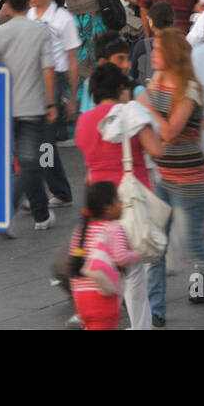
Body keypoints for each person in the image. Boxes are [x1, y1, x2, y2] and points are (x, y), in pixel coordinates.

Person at [141, 29, 204, 329]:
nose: (152, 54)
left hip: (190, 181)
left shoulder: (190, 90)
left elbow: (169, 131)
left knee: (196, 247)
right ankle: (155, 311)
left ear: (171, 54)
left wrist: (143, 106)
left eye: (157, 49)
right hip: (163, 176)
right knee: (155, 246)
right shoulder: (156, 81)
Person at [76, 63, 163, 329]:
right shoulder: (130, 113)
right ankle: (141, 326)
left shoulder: (84, 122)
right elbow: (156, 150)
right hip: (128, 202)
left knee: (111, 264)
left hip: (98, 202)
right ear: (121, 89)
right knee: (134, 271)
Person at [0, 0, 57, 234]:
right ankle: (8, 210)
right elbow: (48, 69)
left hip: (5, 108)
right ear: (28, 3)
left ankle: (42, 214)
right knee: (29, 163)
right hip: (33, 106)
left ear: (8, 4)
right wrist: (51, 102)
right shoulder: (41, 31)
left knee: (27, 162)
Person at [26, 0, 78, 207]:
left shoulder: (63, 19)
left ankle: (59, 191)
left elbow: (72, 59)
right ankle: (38, 190)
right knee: (31, 139)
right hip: (31, 80)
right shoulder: (29, 15)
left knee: (45, 142)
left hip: (53, 80)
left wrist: (73, 97)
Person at [67, 181, 142, 330]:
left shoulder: (81, 229)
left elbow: (73, 260)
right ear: (108, 208)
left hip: (81, 297)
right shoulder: (113, 228)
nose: (122, 203)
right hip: (102, 295)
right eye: (118, 200)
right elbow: (120, 257)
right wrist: (138, 254)